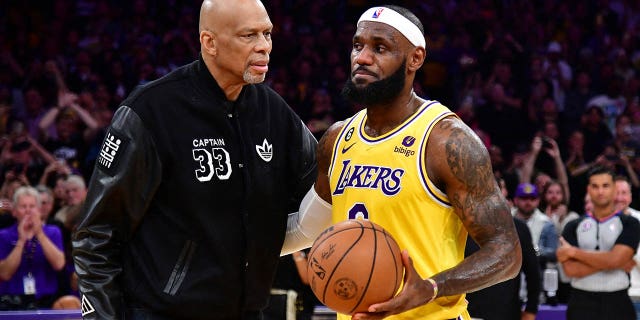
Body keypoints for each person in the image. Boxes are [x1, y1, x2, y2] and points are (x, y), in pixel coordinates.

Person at [72, 1, 318, 319]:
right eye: (249, 35)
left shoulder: (273, 111)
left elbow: (324, 183)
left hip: (247, 311)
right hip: (163, 312)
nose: (264, 46)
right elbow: (97, 234)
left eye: (267, 33)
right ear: (209, 42)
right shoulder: (151, 111)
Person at [308, 5, 521, 319]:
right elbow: (309, 226)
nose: (362, 58)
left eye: (380, 48)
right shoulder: (336, 139)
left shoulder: (445, 140)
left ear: (415, 58)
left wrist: (433, 287)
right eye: (358, 45)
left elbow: (507, 251)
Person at [557, 166, 640, 320]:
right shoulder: (573, 225)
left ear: (614, 188)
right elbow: (571, 270)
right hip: (581, 303)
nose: (600, 192)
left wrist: (574, 252)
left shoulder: (631, 223)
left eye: (605, 186)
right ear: (588, 189)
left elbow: (616, 259)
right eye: (595, 186)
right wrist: (614, 262)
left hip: (618, 302)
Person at [0, 186, 65, 310]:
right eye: (23, 207)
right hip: (12, 301)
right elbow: (4, 274)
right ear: (14, 211)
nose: (28, 211)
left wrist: (39, 233)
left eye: (32, 206)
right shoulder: (3, 236)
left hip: (47, 300)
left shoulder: (53, 232)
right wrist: (21, 241)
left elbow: (59, 264)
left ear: (39, 210)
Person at [466, 217, 540, 320]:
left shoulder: (518, 227)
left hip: (506, 312)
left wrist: (531, 309)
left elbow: (533, 273)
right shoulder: (463, 225)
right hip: (469, 311)